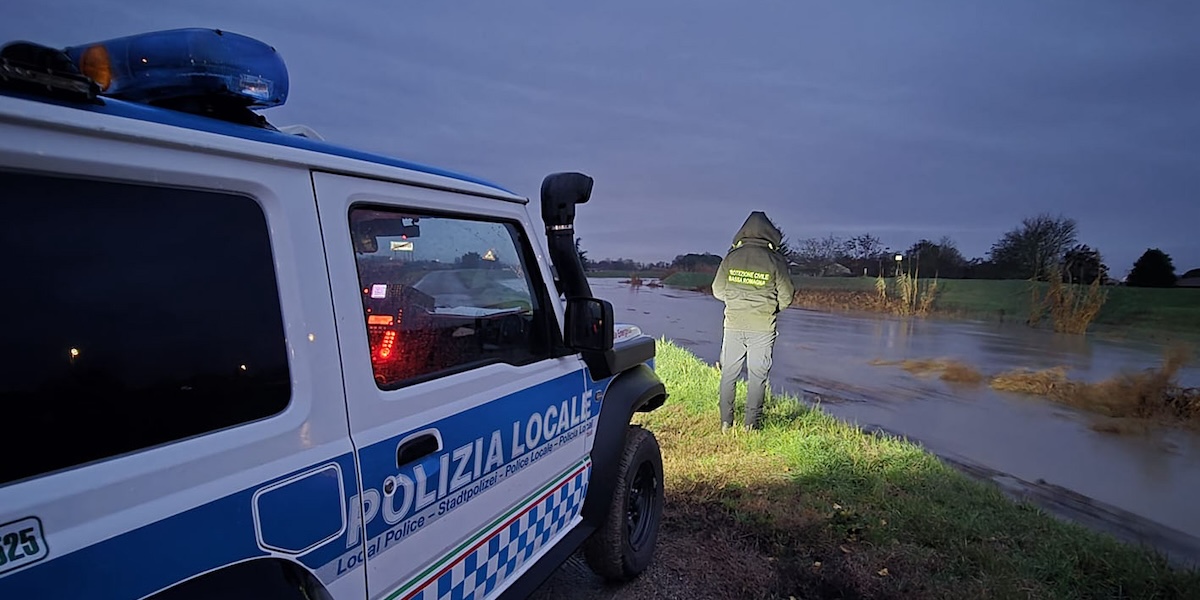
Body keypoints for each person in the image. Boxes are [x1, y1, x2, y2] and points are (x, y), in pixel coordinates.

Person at [711, 211, 795, 431]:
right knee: (758, 377)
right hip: (763, 327)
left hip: (734, 324)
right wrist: (770, 309)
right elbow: (786, 296)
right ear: (770, 234)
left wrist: (735, 302)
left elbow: (717, 290)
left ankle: (725, 423)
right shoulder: (775, 259)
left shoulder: (732, 257)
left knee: (729, 373)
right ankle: (751, 425)